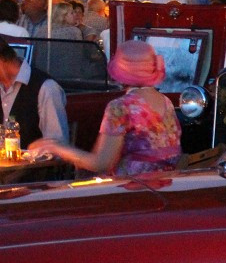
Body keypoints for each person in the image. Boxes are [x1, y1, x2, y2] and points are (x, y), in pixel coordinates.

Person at [31, 40, 180, 176]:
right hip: (164, 186)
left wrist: (56, 147)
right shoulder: (166, 102)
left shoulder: (120, 107)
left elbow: (101, 163)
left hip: (131, 191)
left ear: (120, 71)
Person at [0, 38, 69, 147]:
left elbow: (58, 146)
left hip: (33, 163)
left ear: (2, 59)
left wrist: (32, 154)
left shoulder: (46, 88)